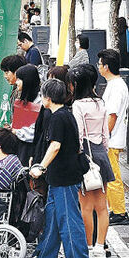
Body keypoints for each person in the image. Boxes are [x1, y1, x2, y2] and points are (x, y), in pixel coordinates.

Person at [29, 78, 89, 258]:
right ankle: (45, 254)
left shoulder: (58, 117)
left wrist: (40, 167)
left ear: (47, 97)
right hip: (59, 178)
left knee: (69, 222)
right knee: (53, 220)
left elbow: (55, 146)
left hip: (64, 178)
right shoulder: (65, 114)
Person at [71, 63, 114, 257]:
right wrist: (102, 153)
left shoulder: (78, 105)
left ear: (77, 84)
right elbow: (106, 135)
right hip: (101, 155)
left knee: (86, 207)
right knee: (102, 207)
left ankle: (88, 246)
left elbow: (78, 134)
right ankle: (99, 246)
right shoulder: (101, 103)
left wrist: (77, 156)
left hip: (86, 156)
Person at [98, 49, 129, 226]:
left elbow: (113, 115)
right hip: (111, 138)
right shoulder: (114, 84)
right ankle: (115, 209)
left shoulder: (117, 86)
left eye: (100, 64)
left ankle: (119, 212)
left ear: (106, 67)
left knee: (113, 177)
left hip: (112, 139)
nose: (99, 67)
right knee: (111, 175)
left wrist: (104, 137)